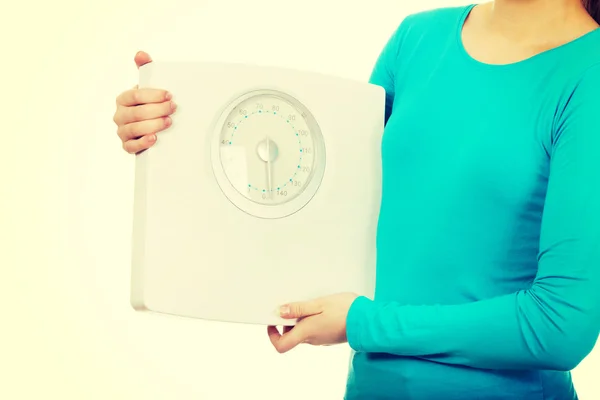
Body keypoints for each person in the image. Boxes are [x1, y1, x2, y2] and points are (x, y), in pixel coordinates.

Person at [113, 1, 600, 399]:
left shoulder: (589, 73)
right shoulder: (416, 39)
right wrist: (173, 126)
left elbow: (560, 325)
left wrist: (365, 323)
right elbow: (322, 194)